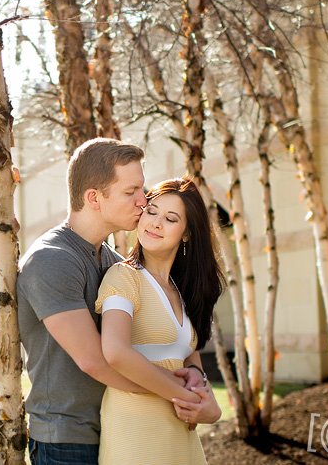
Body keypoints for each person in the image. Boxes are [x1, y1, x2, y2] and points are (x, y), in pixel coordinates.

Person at [17, 139, 206, 465]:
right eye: (130, 191)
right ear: (94, 198)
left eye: (142, 189)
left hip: (117, 431)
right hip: (66, 440)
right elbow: (96, 361)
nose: (143, 200)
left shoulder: (115, 261)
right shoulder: (52, 260)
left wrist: (193, 375)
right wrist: (181, 396)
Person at [96, 177, 226, 465]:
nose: (154, 223)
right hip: (136, 438)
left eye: (170, 218)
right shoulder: (124, 277)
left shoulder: (182, 291)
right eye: (151, 211)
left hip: (180, 441)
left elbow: (191, 365)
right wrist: (199, 405)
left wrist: (199, 382)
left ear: (187, 233)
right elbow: (116, 352)